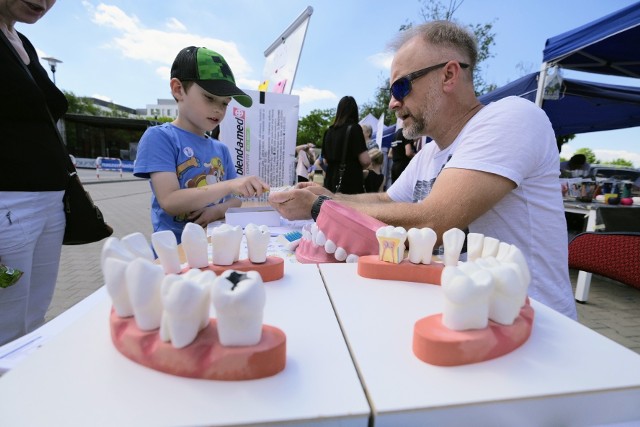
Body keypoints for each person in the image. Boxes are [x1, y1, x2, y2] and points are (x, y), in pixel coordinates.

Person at [269, 20, 577, 320]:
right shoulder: (431, 151)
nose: (392, 103)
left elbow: (434, 220)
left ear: (448, 75)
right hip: (473, 314)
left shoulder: (513, 117)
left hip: (534, 322)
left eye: (400, 86)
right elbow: (387, 201)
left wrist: (321, 207)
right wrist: (327, 194)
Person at [134, 46, 268, 243]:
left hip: (216, 248)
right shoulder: (160, 137)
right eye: (209, 98)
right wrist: (230, 184)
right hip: (176, 254)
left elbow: (236, 198)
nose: (218, 110)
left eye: (225, 103)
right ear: (178, 89)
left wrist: (217, 210)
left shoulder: (220, 148)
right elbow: (169, 201)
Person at [0, 0, 69, 345]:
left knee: (33, 316)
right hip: (10, 204)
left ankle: (20, 389)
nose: (43, 3)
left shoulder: (22, 42)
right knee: (6, 320)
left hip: (48, 201)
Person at [321, 96, 371, 194]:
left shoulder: (328, 131)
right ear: (355, 111)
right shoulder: (355, 129)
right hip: (350, 183)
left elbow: (325, 161)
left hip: (330, 183)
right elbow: (365, 161)